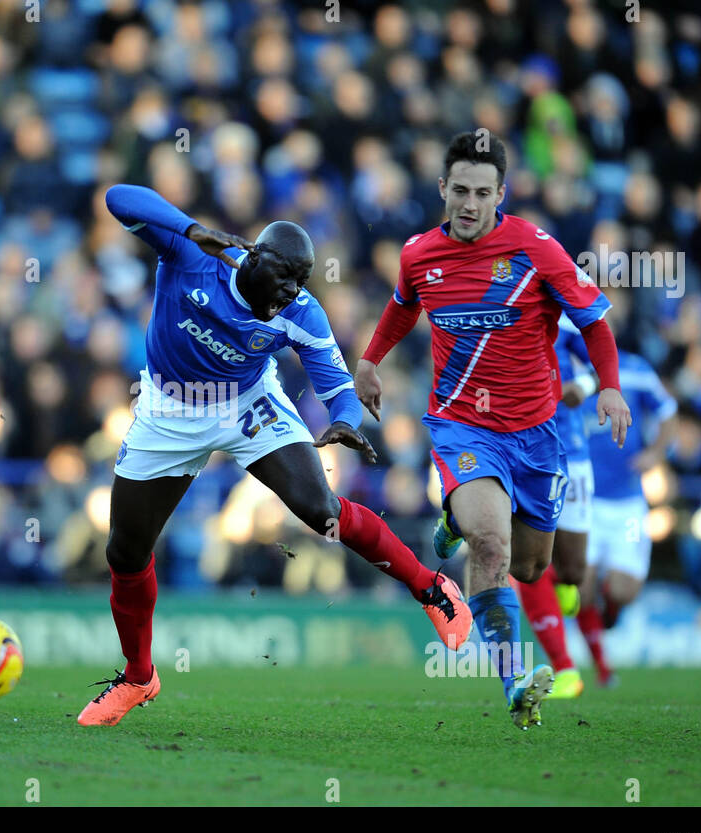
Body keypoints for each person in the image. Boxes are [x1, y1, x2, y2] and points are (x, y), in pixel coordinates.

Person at [78, 183, 471, 727]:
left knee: (321, 509)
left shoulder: (302, 312)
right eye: (285, 277)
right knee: (124, 552)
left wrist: (344, 422)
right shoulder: (194, 254)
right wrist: (189, 226)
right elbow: (119, 197)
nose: (292, 291)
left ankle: (432, 587)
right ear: (255, 259)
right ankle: (140, 677)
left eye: (302, 281)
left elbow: (336, 386)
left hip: (246, 402)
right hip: (169, 408)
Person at [354, 131, 632, 729]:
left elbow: (594, 320)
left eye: (483, 192)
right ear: (442, 190)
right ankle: (513, 680)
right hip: (462, 427)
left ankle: (454, 516)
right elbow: (405, 305)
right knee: (491, 545)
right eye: (460, 190)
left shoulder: (536, 248)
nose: (470, 203)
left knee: (533, 568)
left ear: (501, 193)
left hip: (537, 433)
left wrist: (608, 384)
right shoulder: (419, 255)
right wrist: (371, 359)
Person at [578, 348, 676, 685]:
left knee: (624, 590)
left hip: (628, 506)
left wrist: (656, 453)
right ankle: (603, 668)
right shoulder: (563, 368)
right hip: (583, 502)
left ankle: (612, 603)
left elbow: (668, 411)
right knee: (581, 586)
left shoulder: (635, 369)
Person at [518, 318, 595, 700]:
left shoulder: (564, 319)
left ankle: (566, 584)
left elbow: (599, 363)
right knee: (525, 564)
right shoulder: (489, 309)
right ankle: (566, 668)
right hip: (519, 449)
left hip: (572, 451)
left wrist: (582, 386)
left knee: (572, 569)